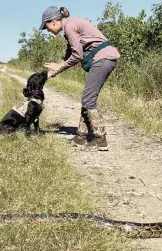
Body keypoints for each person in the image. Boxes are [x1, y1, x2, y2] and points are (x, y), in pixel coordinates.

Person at [39, 6, 120, 151]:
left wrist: (60, 66)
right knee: (87, 98)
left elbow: (77, 55)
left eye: (47, 27)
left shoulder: (69, 26)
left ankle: (100, 140)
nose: (49, 31)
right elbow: (70, 53)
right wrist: (55, 69)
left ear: (53, 22)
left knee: (89, 100)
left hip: (103, 59)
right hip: (103, 58)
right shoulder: (70, 25)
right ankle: (81, 137)